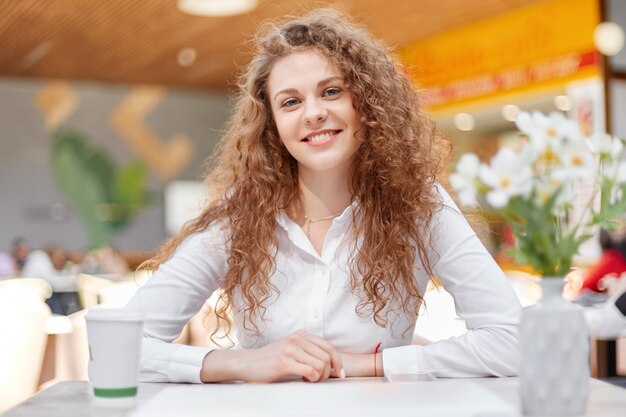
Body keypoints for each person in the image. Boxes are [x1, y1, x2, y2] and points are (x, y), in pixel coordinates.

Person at [125, 9, 520, 384]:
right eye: (291, 102)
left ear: (366, 105)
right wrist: (246, 362)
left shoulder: (420, 207)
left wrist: (373, 364)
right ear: (272, 124)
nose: (313, 113)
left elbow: (515, 341)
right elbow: (119, 349)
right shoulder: (236, 218)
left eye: (331, 92)